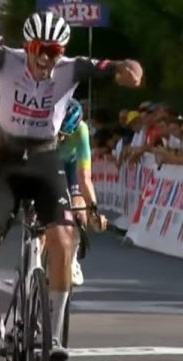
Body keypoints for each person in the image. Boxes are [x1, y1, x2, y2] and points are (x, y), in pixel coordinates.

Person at [0, 11, 142, 361]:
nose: (45, 58)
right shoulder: (5, 59)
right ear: (27, 46)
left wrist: (133, 71)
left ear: (62, 51)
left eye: (53, 51)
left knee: (63, 240)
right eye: (38, 49)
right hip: (8, 163)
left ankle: (54, 334)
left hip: (45, 161)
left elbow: (120, 65)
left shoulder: (72, 68)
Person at [57, 98, 107, 287]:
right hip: (47, 164)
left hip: (69, 167)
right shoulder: (45, 126)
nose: (61, 139)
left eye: (66, 135)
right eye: (59, 133)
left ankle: (72, 260)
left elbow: (85, 177)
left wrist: (93, 209)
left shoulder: (82, 131)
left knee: (79, 209)